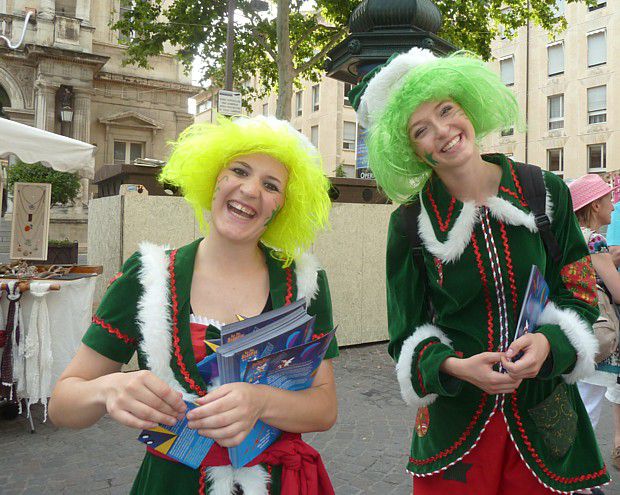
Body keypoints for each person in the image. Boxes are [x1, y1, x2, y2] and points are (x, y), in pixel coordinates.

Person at [349, 48, 609, 494]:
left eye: (446, 110)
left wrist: (549, 343)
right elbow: (406, 333)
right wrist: (455, 366)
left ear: (466, 105)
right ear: (409, 149)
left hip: (543, 420)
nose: (443, 132)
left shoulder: (544, 191)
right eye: (421, 130)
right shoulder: (409, 224)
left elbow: (580, 292)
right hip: (456, 432)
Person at [48, 116, 339, 495]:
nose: (250, 190)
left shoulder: (304, 282)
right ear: (213, 178)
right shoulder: (148, 276)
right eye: (239, 170)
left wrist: (261, 401)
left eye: (271, 185)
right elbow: (63, 405)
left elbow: (324, 408)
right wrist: (108, 389)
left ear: (282, 207)